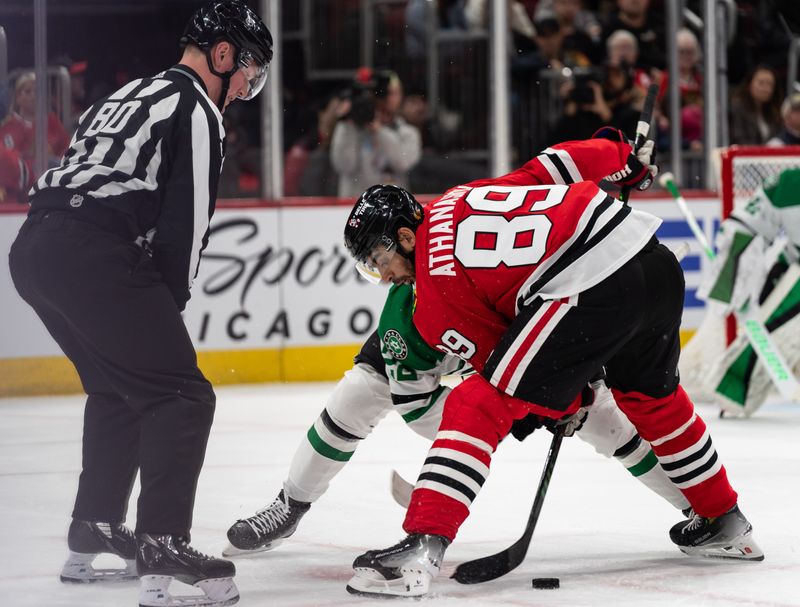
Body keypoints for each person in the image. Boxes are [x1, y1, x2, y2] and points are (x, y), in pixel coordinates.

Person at [341, 131, 763, 597]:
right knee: (653, 399)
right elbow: (556, 163)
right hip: (652, 257)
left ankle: (420, 549)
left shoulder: (433, 300)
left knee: (476, 404)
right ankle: (726, 522)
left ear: (404, 236)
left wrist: (563, 400)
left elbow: (506, 365)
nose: (383, 275)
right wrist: (624, 158)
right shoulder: (462, 196)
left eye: (380, 259)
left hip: (592, 286)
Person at [7, 2, 272, 606]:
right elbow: (188, 223)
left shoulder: (127, 92)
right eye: (249, 70)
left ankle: (92, 529)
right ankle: (163, 545)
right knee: (180, 394)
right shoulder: (197, 108)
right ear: (223, 54)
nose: (245, 87)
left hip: (35, 248)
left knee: (117, 386)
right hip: (93, 254)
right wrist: (165, 307)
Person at [222, 281, 689, 556]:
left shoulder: (492, 266)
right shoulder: (401, 326)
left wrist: (581, 378)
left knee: (605, 420)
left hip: (518, 349)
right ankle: (290, 504)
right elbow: (422, 413)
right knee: (358, 393)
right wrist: (513, 422)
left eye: (379, 259)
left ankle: (700, 511)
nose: (383, 275)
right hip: (457, 361)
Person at [694, 167, 800, 416]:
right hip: (794, 269)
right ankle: (733, 392)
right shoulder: (791, 182)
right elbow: (745, 223)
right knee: (771, 335)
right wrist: (729, 276)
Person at [330, 68, 421, 198]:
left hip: (393, 209)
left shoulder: (408, 133)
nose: (388, 98)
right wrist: (346, 123)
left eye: (394, 93)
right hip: (355, 208)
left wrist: (379, 130)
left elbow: (402, 162)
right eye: (385, 93)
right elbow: (344, 165)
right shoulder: (350, 129)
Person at [0, 71, 70, 171]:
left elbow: (66, 149)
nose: (33, 95)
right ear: (18, 98)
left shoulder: (52, 120)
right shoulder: (8, 126)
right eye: (28, 91)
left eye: (37, 91)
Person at [729, 65, 782, 145]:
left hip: (769, 156)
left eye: (770, 84)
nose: (765, 88)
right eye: (761, 83)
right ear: (749, 84)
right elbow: (738, 139)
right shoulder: (737, 107)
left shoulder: (774, 112)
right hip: (745, 155)